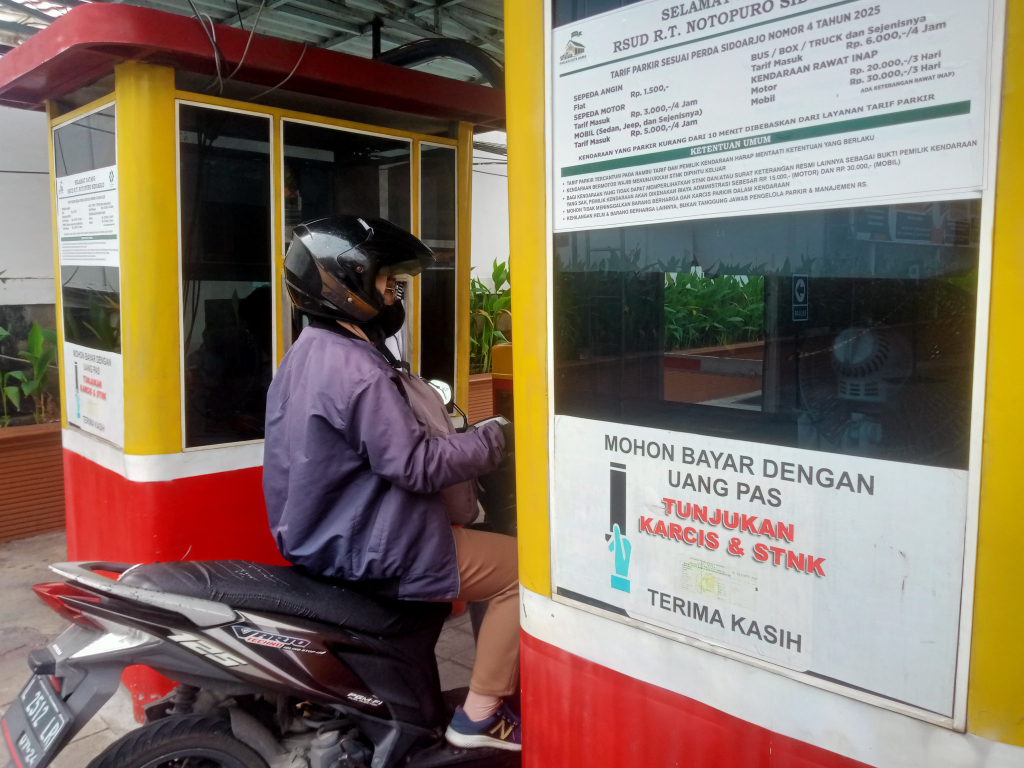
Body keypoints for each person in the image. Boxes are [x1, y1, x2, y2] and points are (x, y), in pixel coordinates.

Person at [263, 215, 522, 751]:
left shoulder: (307, 353)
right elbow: (417, 464)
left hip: (327, 536)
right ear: (346, 283)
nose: (392, 293)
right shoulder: (357, 368)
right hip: (373, 546)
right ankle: (481, 715)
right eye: (385, 279)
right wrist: (495, 437)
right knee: (520, 572)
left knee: (488, 554)